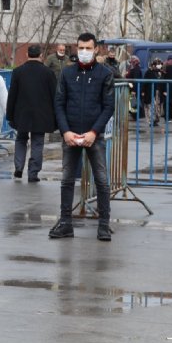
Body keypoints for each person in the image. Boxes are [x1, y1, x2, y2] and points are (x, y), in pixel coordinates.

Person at [50, 32, 115, 242]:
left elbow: (108, 107)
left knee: (102, 181)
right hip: (71, 135)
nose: (84, 52)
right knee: (67, 180)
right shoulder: (67, 73)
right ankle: (65, 223)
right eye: (80, 48)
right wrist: (66, 131)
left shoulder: (105, 74)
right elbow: (59, 103)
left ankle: (104, 225)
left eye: (88, 48)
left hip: (94, 136)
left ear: (96, 49)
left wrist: (94, 132)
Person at [6, 44, 57, 182]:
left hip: (21, 114)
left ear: (27, 55)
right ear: (41, 55)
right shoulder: (48, 73)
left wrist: (9, 115)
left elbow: (12, 95)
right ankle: (33, 172)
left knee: (21, 140)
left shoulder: (18, 72)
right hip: (42, 114)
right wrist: (56, 117)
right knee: (37, 143)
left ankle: (18, 167)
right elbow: (54, 96)